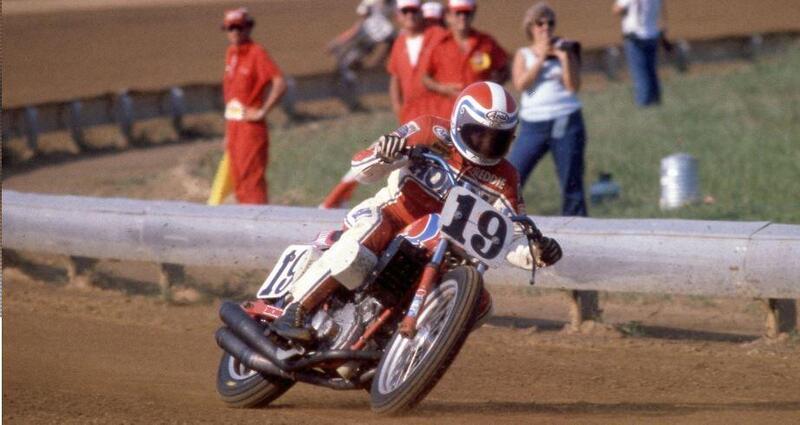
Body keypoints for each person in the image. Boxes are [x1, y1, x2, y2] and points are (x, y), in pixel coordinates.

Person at [273, 82, 563, 341]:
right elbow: (362, 168)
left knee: (481, 305)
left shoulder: (506, 178)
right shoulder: (429, 131)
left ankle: (406, 351)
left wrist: (537, 252)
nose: (486, 145)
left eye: (496, 139)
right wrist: (385, 154)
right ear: (460, 121)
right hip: (390, 216)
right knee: (370, 231)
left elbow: (510, 235)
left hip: (441, 249)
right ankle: (297, 309)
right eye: (478, 134)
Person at [506, 2, 588, 217]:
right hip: (533, 124)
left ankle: (576, 223)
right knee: (514, 173)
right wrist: (541, 58)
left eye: (550, 23)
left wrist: (564, 58)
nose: (545, 28)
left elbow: (573, 86)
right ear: (530, 27)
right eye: (539, 23)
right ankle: (506, 216)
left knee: (571, 180)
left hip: (566, 119)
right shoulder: (524, 54)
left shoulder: (565, 50)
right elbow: (522, 85)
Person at [221, 7, 286, 204]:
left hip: (250, 129)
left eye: (239, 28)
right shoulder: (231, 53)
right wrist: (227, 134)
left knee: (252, 180)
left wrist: (263, 111)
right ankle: (245, 219)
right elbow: (231, 96)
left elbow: (279, 83)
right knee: (238, 180)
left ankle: (260, 219)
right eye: (230, 28)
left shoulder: (257, 53)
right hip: (234, 126)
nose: (234, 32)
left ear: (248, 28)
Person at [420, 0, 510, 119]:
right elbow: (425, 78)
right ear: (449, 16)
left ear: (472, 14)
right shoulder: (438, 44)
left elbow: (504, 69)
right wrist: (444, 89)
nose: (462, 17)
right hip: (446, 113)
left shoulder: (486, 43)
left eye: (466, 13)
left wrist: (490, 87)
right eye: (458, 13)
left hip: (479, 112)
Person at [327, 0, 397, 110]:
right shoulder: (372, 21)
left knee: (347, 69)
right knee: (347, 68)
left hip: (368, 49)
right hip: (367, 48)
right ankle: (352, 99)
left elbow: (354, 33)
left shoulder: (373, 23)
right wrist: (337, 42)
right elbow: (353, 33)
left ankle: (352, 100)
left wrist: (336, 43)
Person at [613, 0, 666, 106]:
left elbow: (617, 9)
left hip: (636, 36)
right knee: (651, 72)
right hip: (652, 34)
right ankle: (655, 100)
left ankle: (644, 103)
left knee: (640, 74)